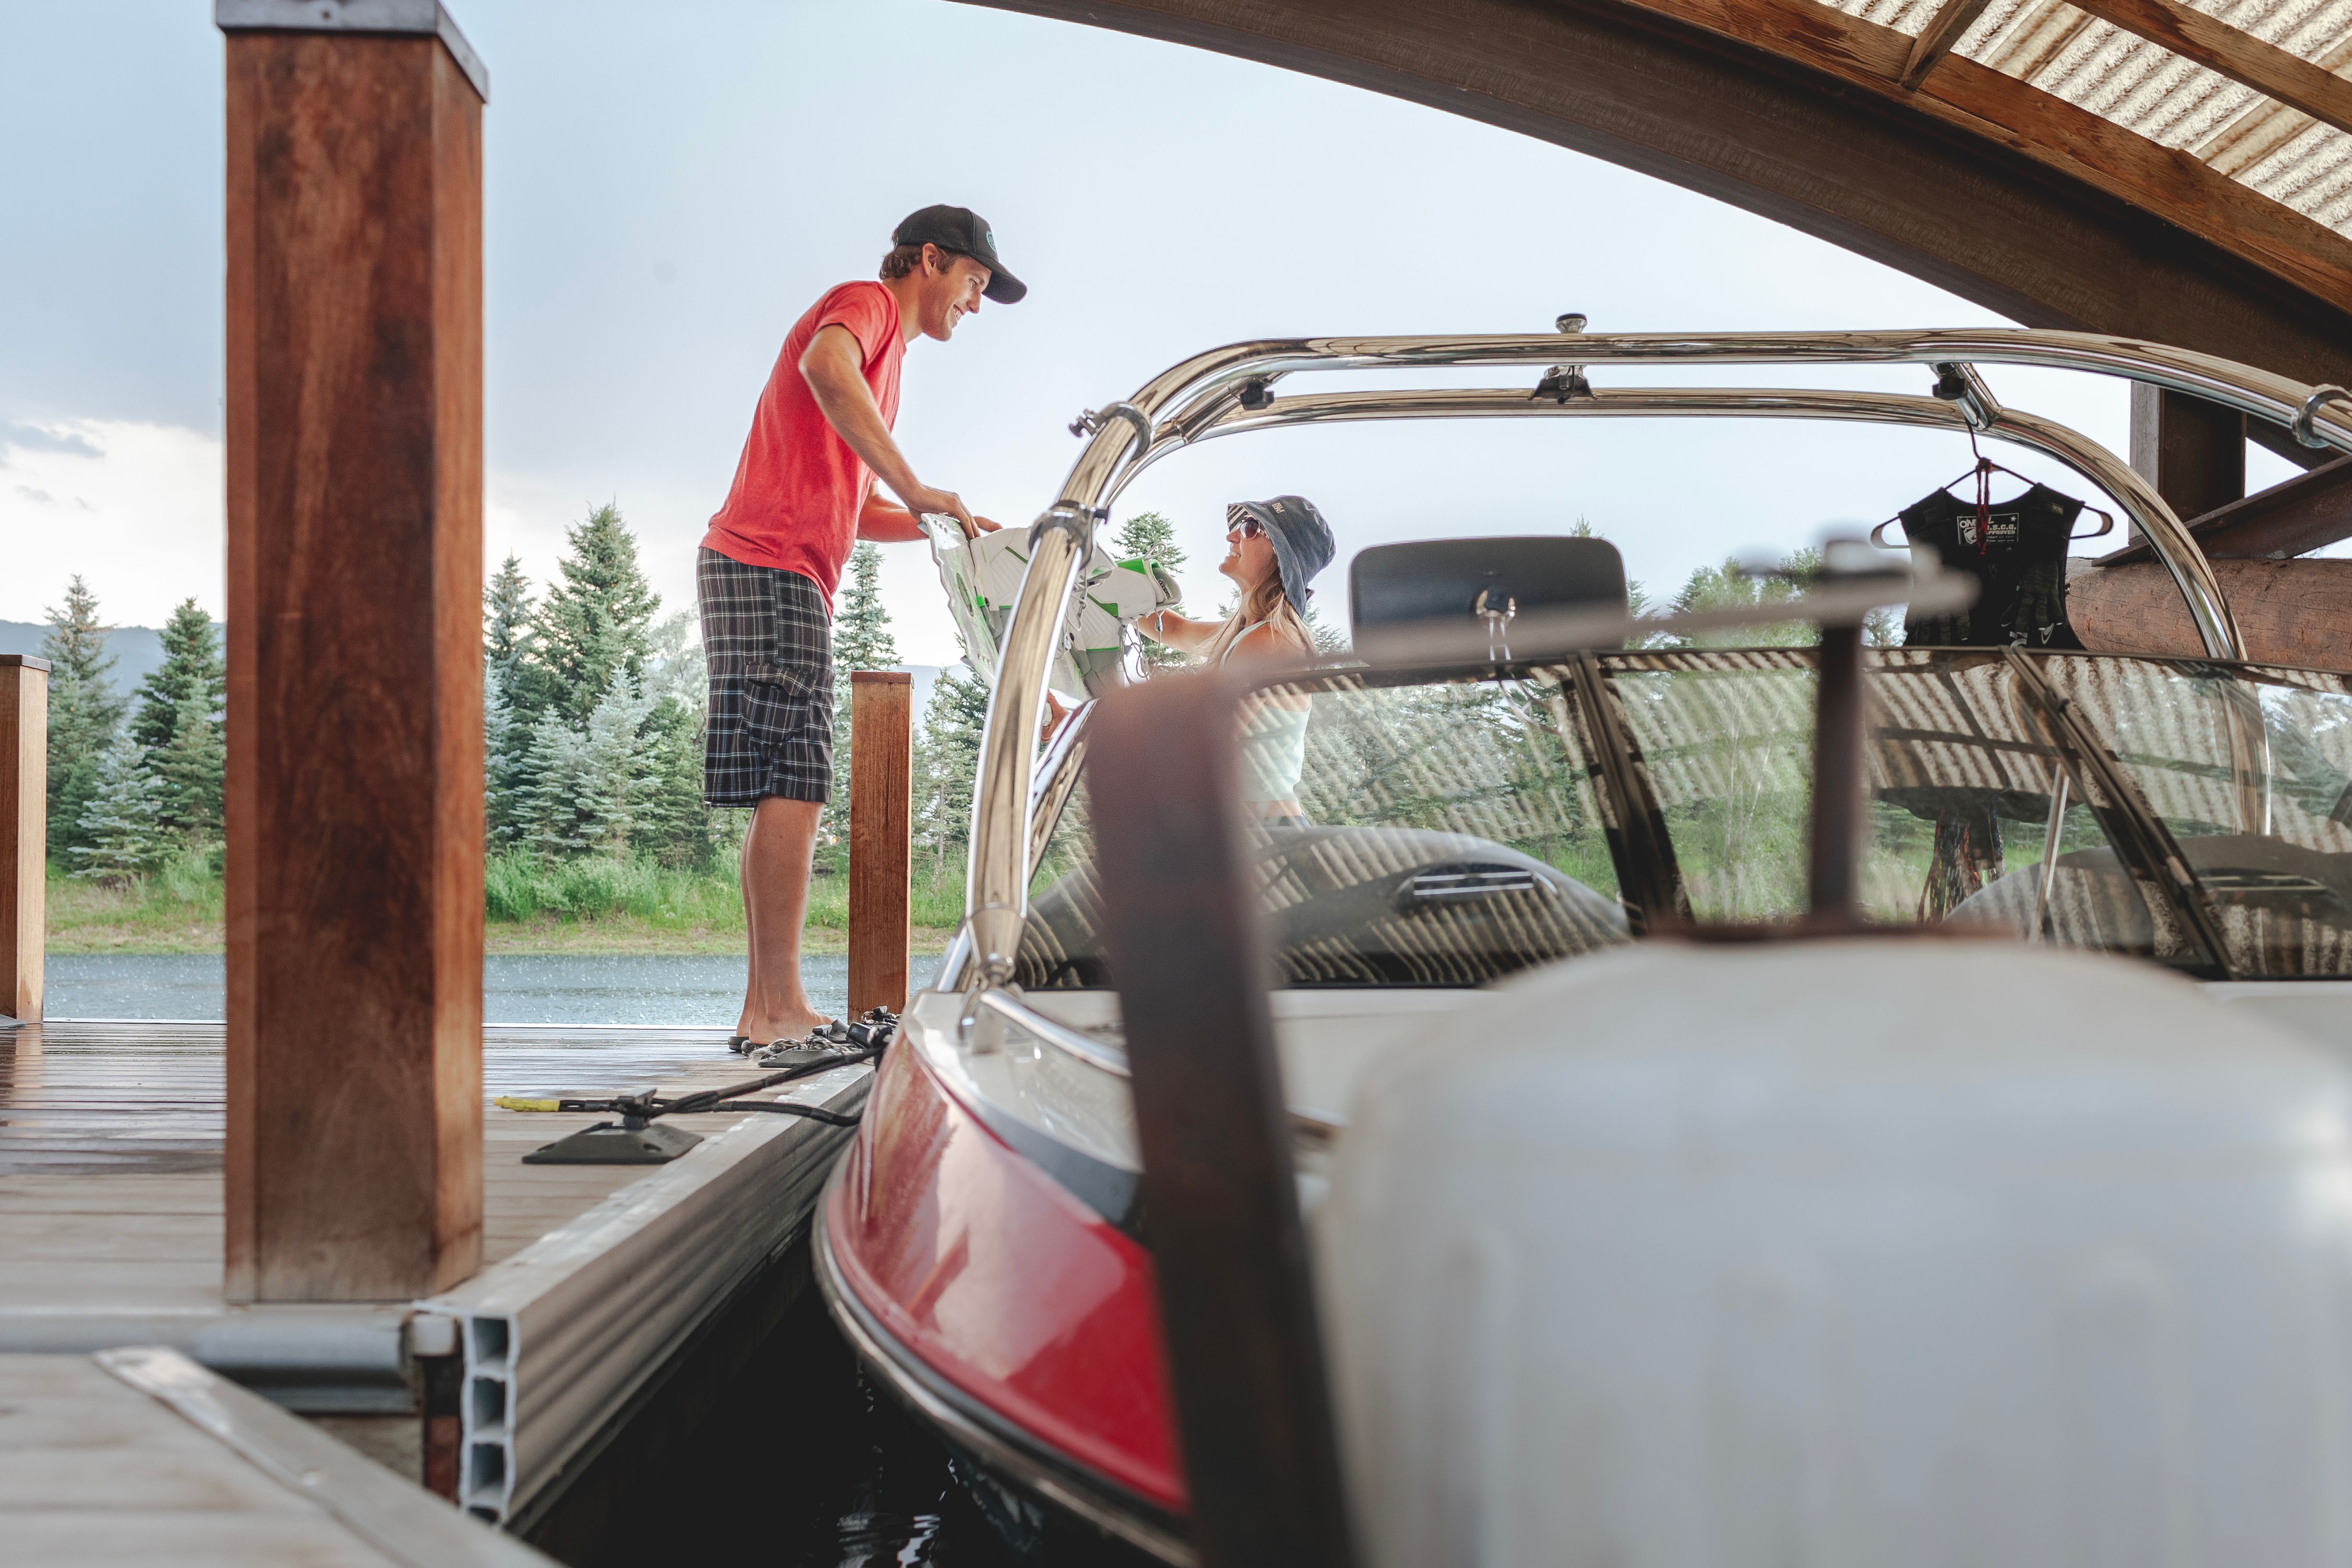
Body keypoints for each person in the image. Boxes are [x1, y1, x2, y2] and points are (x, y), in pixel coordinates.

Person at [700, 205, 1024, 1046]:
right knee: (797, 777)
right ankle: (774, 1009)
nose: (975, 305)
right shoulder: (868, 305)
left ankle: (763, 1006)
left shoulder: (889, 355)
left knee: (788, 779)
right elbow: (822, 365)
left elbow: (849, 503)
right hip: (769, 565)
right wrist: (918, 486)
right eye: (974, 284)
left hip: (771, 566)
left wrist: (940, 522)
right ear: (930, 261)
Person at [1137, 496, 1335, 824]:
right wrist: (1108, 591)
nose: (1232, 536)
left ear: (1281, 559)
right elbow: (1172, 629)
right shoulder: (1248, 631)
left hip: (1265, 837)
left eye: (1251, 528)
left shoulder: (1270, 642)